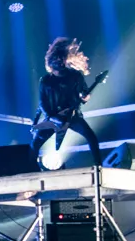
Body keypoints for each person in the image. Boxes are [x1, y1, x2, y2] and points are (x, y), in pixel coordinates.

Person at [32, 37, 107, 168]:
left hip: (73, 117)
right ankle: (31, 169)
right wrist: (53, 117)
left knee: (91, 137)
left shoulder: (75, 76)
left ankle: (98, 167)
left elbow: (84, 95)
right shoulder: (45, 81)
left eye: (61, 58)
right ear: (50, 61)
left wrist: (86, 96)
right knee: (34, 145)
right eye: (56, 59)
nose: (59, 62)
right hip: (53, 118)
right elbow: (42, 103)